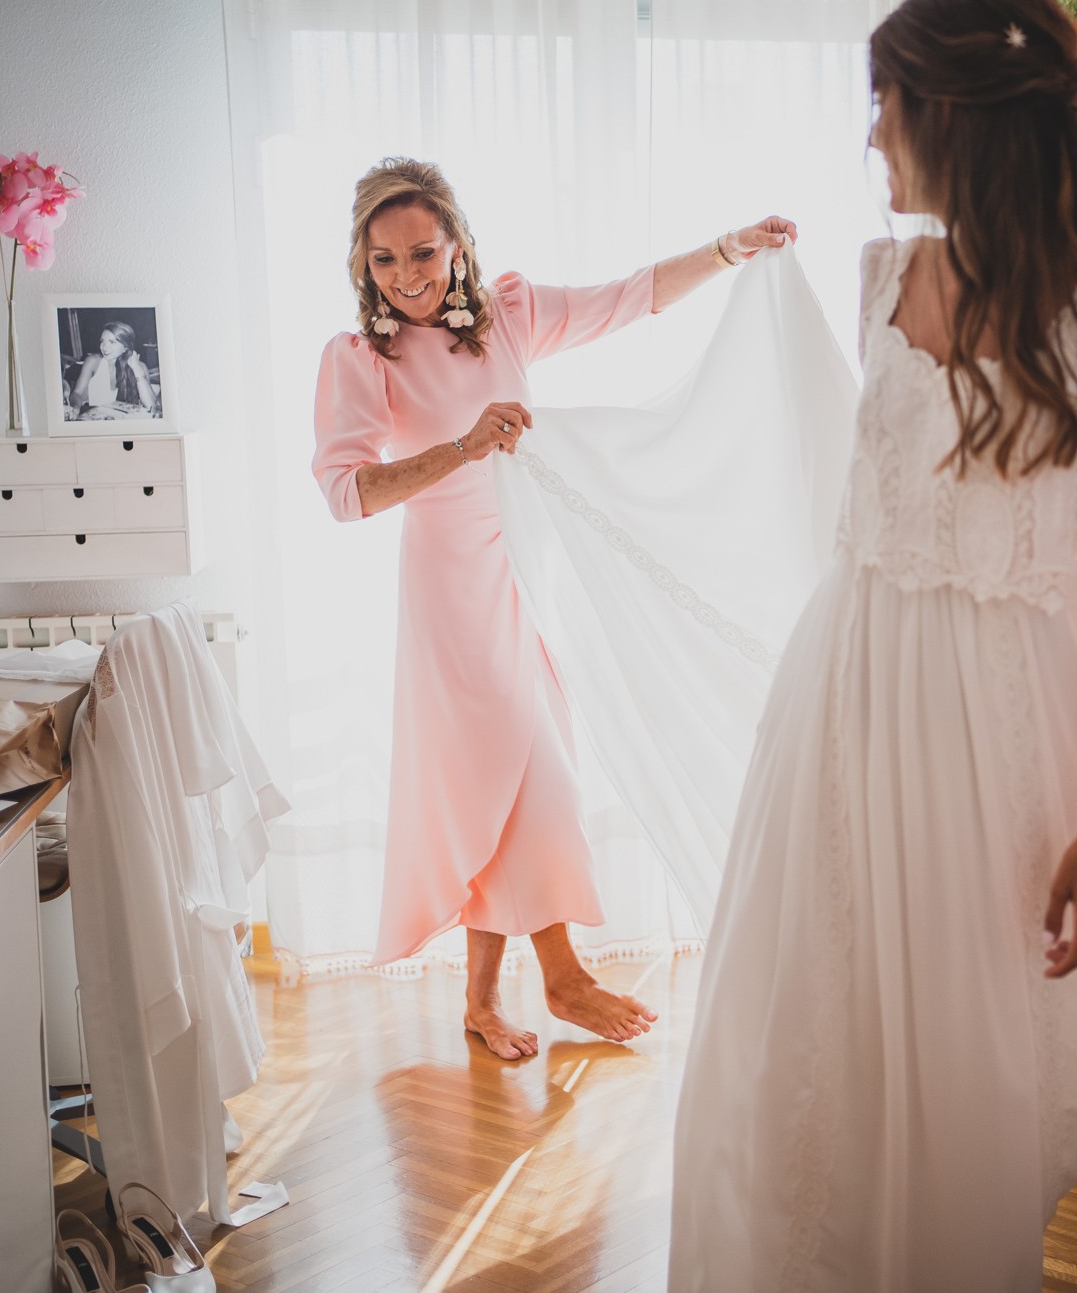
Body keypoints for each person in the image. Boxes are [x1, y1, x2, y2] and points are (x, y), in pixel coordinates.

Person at [669, 0, 1077, 1291]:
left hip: (1007, 718)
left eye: (882, 103)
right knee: (815, 1049)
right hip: (846, 691)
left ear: (947, 112)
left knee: (964, 1064)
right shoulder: (879, 272)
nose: (868, 135)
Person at [312, 157, 794, 1054]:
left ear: (456, 244)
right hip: (449, 597)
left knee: (518, 777)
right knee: (523, 768)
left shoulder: (509, 317)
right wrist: (461, 448)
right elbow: (347, 494)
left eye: (422, 251)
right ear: (363, 264)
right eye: (384, 261)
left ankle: (485, 1001)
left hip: (524, 580)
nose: (407, 276)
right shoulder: (362, 360)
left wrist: (732, 248)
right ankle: (562, 978)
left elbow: (634, 296)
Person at [68, 320, 157, 420]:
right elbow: (77, 393)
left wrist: (137, 371)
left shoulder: (140, 366)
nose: (104, 347)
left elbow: (151, 406)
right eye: (102, 341)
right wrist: (75, 407)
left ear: (125, 347)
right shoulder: (93, 361)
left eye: (112, 342)